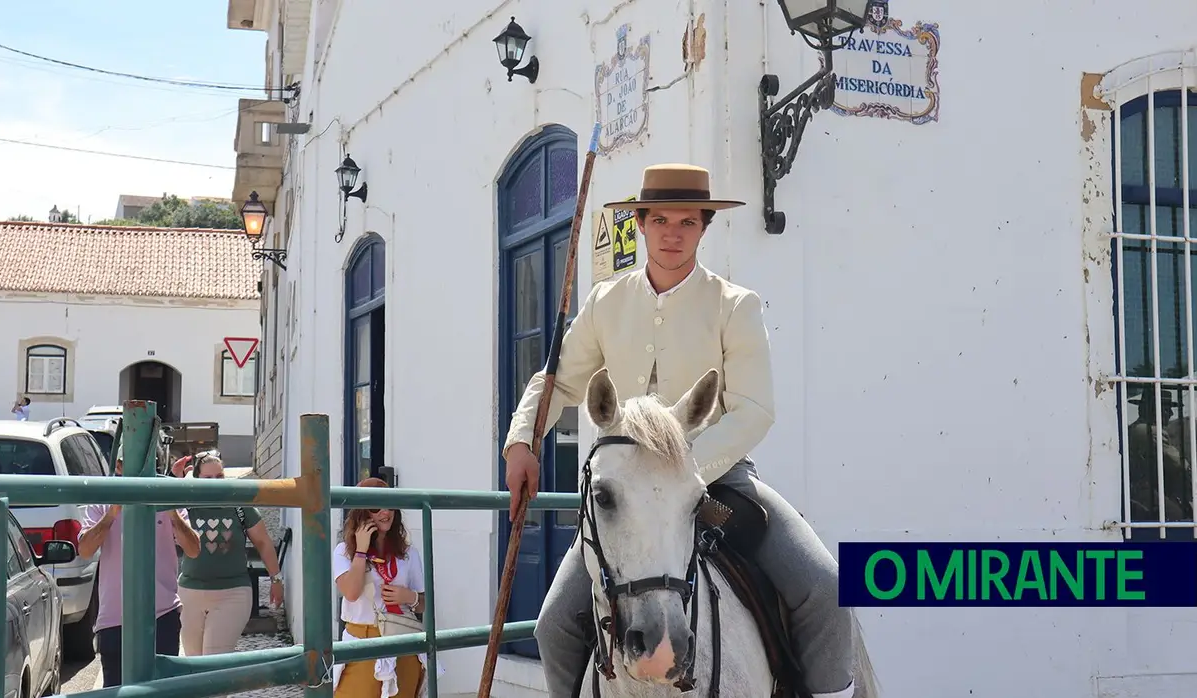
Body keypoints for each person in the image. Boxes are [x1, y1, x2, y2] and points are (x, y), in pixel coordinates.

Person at [504, 164, 855, 698]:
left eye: (688, 222)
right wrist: (523, 440)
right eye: (661, 219)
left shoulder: (735, 305)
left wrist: (683, 468)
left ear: (704, 228)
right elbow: (559, 380)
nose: (673, 233)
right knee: (553, 625)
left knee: (826, 590)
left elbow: (754, 410)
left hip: (717, 481)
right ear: (640, 224)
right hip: (623, 494)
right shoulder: (605, 302)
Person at [77, 441, 201, 687]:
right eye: (133, 466)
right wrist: (111, 513)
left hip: (161, 613)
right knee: (115, 689)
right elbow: (85, 550)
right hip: (114, 617)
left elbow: (193, 549)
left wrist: (172, 511)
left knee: (161, 690)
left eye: (149, 466)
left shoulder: (165, 494)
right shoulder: (103, 497)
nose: (143, 472)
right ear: (120, 467)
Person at [177, 451, 285, 656]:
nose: (215, 482)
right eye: (207, 478)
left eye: (219, 477)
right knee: (192, 664)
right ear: (197, 479)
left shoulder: (238, 504)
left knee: (213, 659)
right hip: (190, 593)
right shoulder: (187, 503)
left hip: (232, 592)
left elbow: (262, 541)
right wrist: (178, 480)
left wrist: (276, 579)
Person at [331, 477, 429, 698]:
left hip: (401, 642)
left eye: (390, 505)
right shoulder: (343, 552)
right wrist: (361, 551)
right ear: (362, 513)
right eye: (376, 508)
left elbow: (423, 604)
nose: (385, 513)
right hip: (362, 644)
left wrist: (410, 597)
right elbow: (351, 593)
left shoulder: (408, 553)